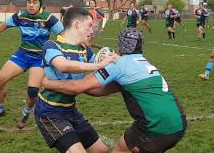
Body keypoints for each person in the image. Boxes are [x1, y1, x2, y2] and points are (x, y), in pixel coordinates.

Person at [42, 28, 187, 153]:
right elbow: (96, 91)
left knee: (119, 150)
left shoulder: (118, 64)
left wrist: (48, 83)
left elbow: (78, 87)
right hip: (178, 123)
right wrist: (85, 86)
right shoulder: (145, 63)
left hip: (154, 126)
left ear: (121, 44)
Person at [35, 7, 117, 153]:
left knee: (101, 150)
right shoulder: (52, 45)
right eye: (90, 25)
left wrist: (113, 60)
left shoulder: (84, 50)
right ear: (77, 24)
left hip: (71, 110)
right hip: (50, 113)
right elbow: (62, 66)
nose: (93, 30)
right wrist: (98, 65)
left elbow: (100, 67)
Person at [0, 0, 64, 129]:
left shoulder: (49, 18)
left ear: (40, 4)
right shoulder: (20, 15)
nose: (31, 5)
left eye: (34, 2)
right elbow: (2, 26)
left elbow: (64, 34)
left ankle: (25, 113)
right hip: (22, 54)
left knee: (32, 90)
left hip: (39, 58)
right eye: (28, 2)